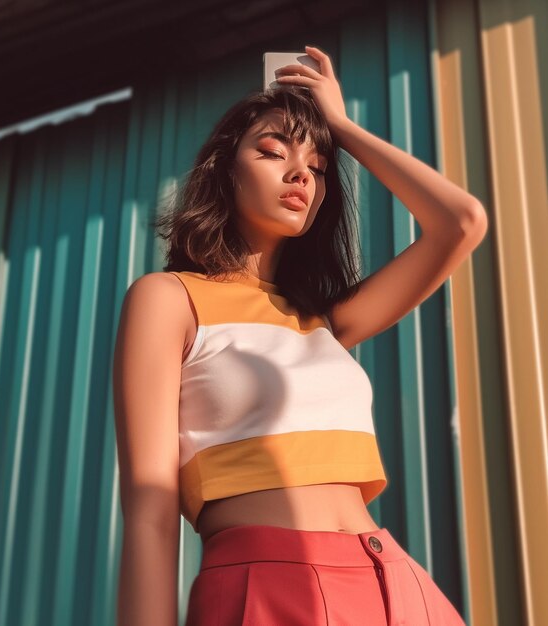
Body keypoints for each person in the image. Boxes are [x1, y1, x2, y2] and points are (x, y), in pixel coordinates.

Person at [112, 44, 487, 626]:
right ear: (224, 169)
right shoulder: (170, 299)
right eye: (272, 151)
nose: (300, 175)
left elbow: (461, 223)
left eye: (316, 167)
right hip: (269, 582)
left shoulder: (326, 319)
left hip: (397, 586)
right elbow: (149, 509)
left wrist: (341, 126)